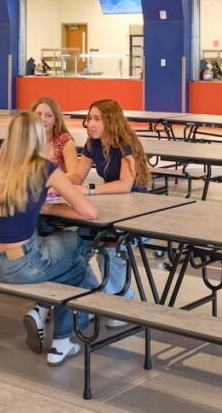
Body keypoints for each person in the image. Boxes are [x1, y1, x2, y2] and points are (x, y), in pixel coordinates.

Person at [0, 112, 99, 365]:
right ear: (36, 136)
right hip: (22, 263)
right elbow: (89, 212)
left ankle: (44, 313)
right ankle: (62, 340)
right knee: (75, 255)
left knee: (65, 263)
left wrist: (40, 207)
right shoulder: (44, 168)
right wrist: (50, 208)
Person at [69, 99, 151, 316]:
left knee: (109, 250)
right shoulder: (92, 144)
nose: (90, 124)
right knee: (74, 246)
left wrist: (91, 190)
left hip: (139, 213)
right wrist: (53, 179)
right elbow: (77, 176)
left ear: (111, 121)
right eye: (89, 119)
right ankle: (95, 295)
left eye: (97, 119)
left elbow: (126, 185)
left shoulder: (126, 145)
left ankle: (124, 304)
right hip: (111, 208)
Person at [31, 96, 78, 174]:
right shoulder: (25, 139)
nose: (42, 119)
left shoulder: (64, 141)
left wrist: (48, 181)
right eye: (38, 114)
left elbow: (74, 177)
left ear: (56, 120)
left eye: (48, 115)